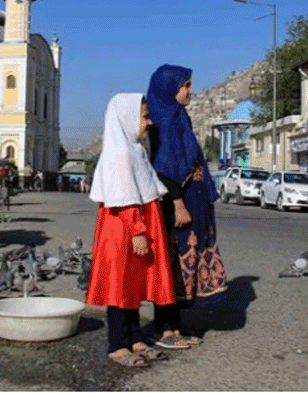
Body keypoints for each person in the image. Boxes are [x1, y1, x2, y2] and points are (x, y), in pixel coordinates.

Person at [85, 93, 177, 367]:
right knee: (120, 285)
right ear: (126, 118)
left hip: (137, 222)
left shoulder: (134, 148)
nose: (149, 123)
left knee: (133, 283)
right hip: (125, 225)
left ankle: (135, 338)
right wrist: (137, 229)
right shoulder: (120, 152)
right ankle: (117, 344)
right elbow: (122, 194)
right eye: (144, 117)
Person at [146, 64, 228, 350]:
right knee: (173, 261)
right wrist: (179, 203)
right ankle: (164, 330)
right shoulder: (164, 119)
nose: (191, 91)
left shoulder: (179, 116)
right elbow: (165, 170)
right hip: (176, 200)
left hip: (193, 197)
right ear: (170, 88)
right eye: (186, 86)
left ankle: (174, 325)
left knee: (183, 261)